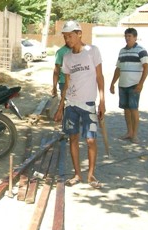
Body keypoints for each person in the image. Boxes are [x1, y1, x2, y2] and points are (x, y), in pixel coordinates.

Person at [54, 20, 106, 189]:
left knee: (91, 140)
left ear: (79, 34)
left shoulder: (93, 51)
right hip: (71, 105)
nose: (67, 39)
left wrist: (102, 101)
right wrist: (60, 107)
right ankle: (77, 174)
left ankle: (91, 175)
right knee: (73, 138)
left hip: (88, 104)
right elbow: (67, 84)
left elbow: (99, 77)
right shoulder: (67, 57)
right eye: (65, 36)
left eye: (70, 35)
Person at [109, 28, 148, 144]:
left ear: (135, 37)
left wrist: (141, 83)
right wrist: (112, 83)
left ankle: (135, 135)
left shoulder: (141, 50)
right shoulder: (122, 51)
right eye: (126, 36)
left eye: (130, 36)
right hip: (122, 85)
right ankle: (129, 132)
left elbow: (146, 67)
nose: (127, 38)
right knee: (126, 110)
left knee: (133, 109)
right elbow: (118, 68)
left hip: (134, 85)